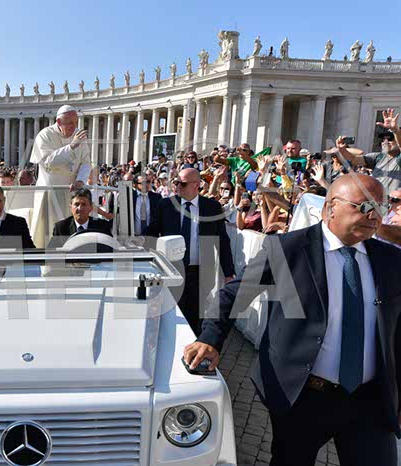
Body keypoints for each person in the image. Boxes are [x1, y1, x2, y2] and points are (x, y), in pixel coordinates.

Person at [184, 173, 401, 466]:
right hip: (303, 397)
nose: (374, 216)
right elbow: (233, 295)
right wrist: (210, 339)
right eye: (364, 207)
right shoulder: (287, 250)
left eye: (380, 207)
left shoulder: (390, 260)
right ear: (330, 208)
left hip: (369, 400)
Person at [148, 168, 235, 335]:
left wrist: (229, 273)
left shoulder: (212, 207)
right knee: (173, 315)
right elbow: (152, 233)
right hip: (172, 270)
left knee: (196, 317)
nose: (177, 186)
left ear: (196, 185)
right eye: (176, 182)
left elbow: (222, 242)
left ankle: (195, 346)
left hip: (201, 273)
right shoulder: (166, 205)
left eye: (182, 183)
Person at [29, 105, 92, 247]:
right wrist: (72, 146)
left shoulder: (79, 135)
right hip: (50, 192)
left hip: (72, 191)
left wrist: (80, 180)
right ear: (58, 122)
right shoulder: (45, 135)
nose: (73, 127)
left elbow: (86, 162)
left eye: (75, 122)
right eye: (69, 123)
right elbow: (48, 162)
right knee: (49, 233)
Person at [336, 109, 401, 193]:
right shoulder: (378, 157)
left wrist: (395, 130)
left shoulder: (398, 159)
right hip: (375, 199)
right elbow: (354, 159)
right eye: (383, 139)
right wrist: (342, 150)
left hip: (393, 200)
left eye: (390, 139)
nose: (385, 142)